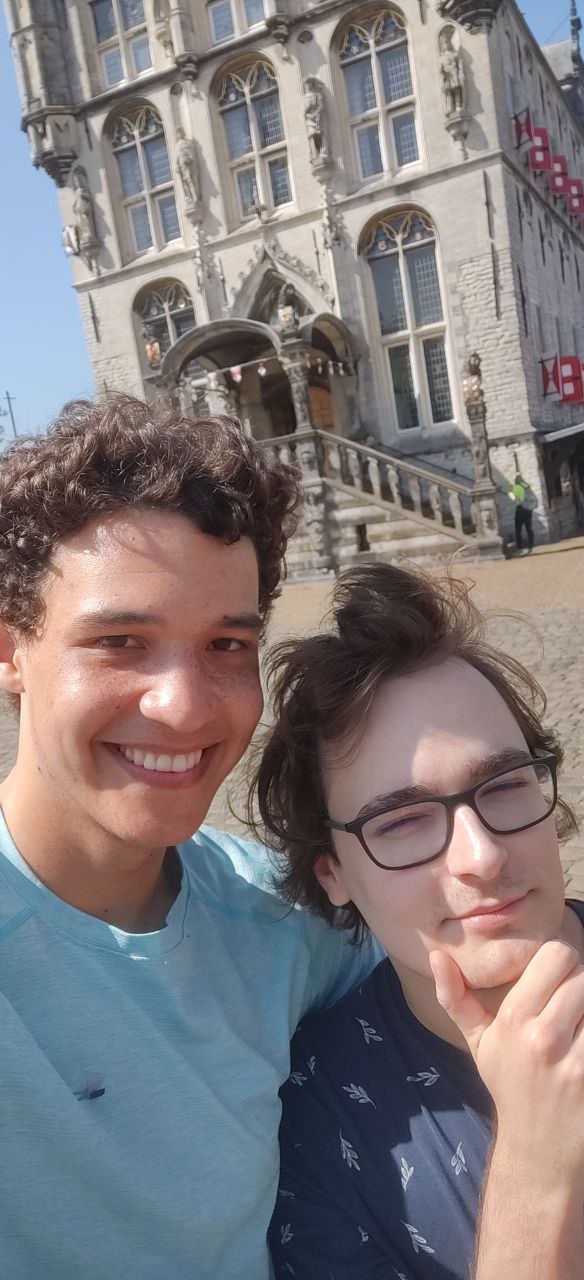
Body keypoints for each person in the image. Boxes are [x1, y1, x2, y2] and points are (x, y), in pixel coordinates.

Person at [0, 393, 380, 1279]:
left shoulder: (283, 922)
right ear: (12, 650)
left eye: (225, 646)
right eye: (120, 640)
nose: (183, 707)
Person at [254, 563, 584, 1280]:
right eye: (401, 822)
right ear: (333, 874)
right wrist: (536, 1166)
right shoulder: (317, 1127)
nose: (482, 856)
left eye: (504, 784)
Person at [508, 472, 537, 553]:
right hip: (528, 510)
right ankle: (531, 546)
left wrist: (508, 493)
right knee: (529, 528)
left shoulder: (515, 488)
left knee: (518, 529)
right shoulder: (527, 488)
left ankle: (520, 547)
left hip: (520, 509)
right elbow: (534, 500)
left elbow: (513, 499)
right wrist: (530, 508)